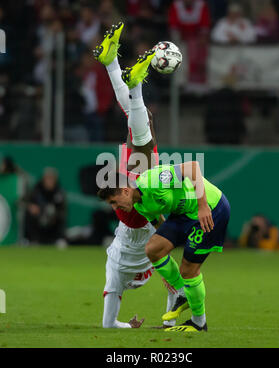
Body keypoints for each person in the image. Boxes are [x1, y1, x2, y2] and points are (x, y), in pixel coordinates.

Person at [93, 22, 183, 329]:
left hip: (137, 216)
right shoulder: (115, 263)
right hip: (127, 222)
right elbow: (108, 321)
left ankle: (129, 80)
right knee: (140, 123)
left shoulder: (133, 219)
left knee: (141, 129)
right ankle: (113, 65)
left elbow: (173, 281)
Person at [98, 161, 230, 332]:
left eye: (114, 202)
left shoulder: (153, 181)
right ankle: (181, 291)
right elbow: (162, 229)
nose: (115, 208)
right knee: (152, 249)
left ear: (125, 191)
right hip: (183, 215)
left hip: (211, 207)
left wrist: (203, 206)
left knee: (188, 270)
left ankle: (198, 322)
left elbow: (192, 167)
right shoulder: (140, 206)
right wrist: (165, 268)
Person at [24, 168, 66, 245]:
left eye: (51, 178)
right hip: (39, 220)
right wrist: (32, 207)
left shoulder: (59, 192)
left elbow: (62, 210)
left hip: (52, 223)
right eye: (47, 178)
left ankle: (59, 239)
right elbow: (26, 202)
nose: (49, 181)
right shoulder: (36, 190)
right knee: (28, 214)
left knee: (61, 217)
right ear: (43, 179)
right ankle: (30, 240)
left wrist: (53, 212)